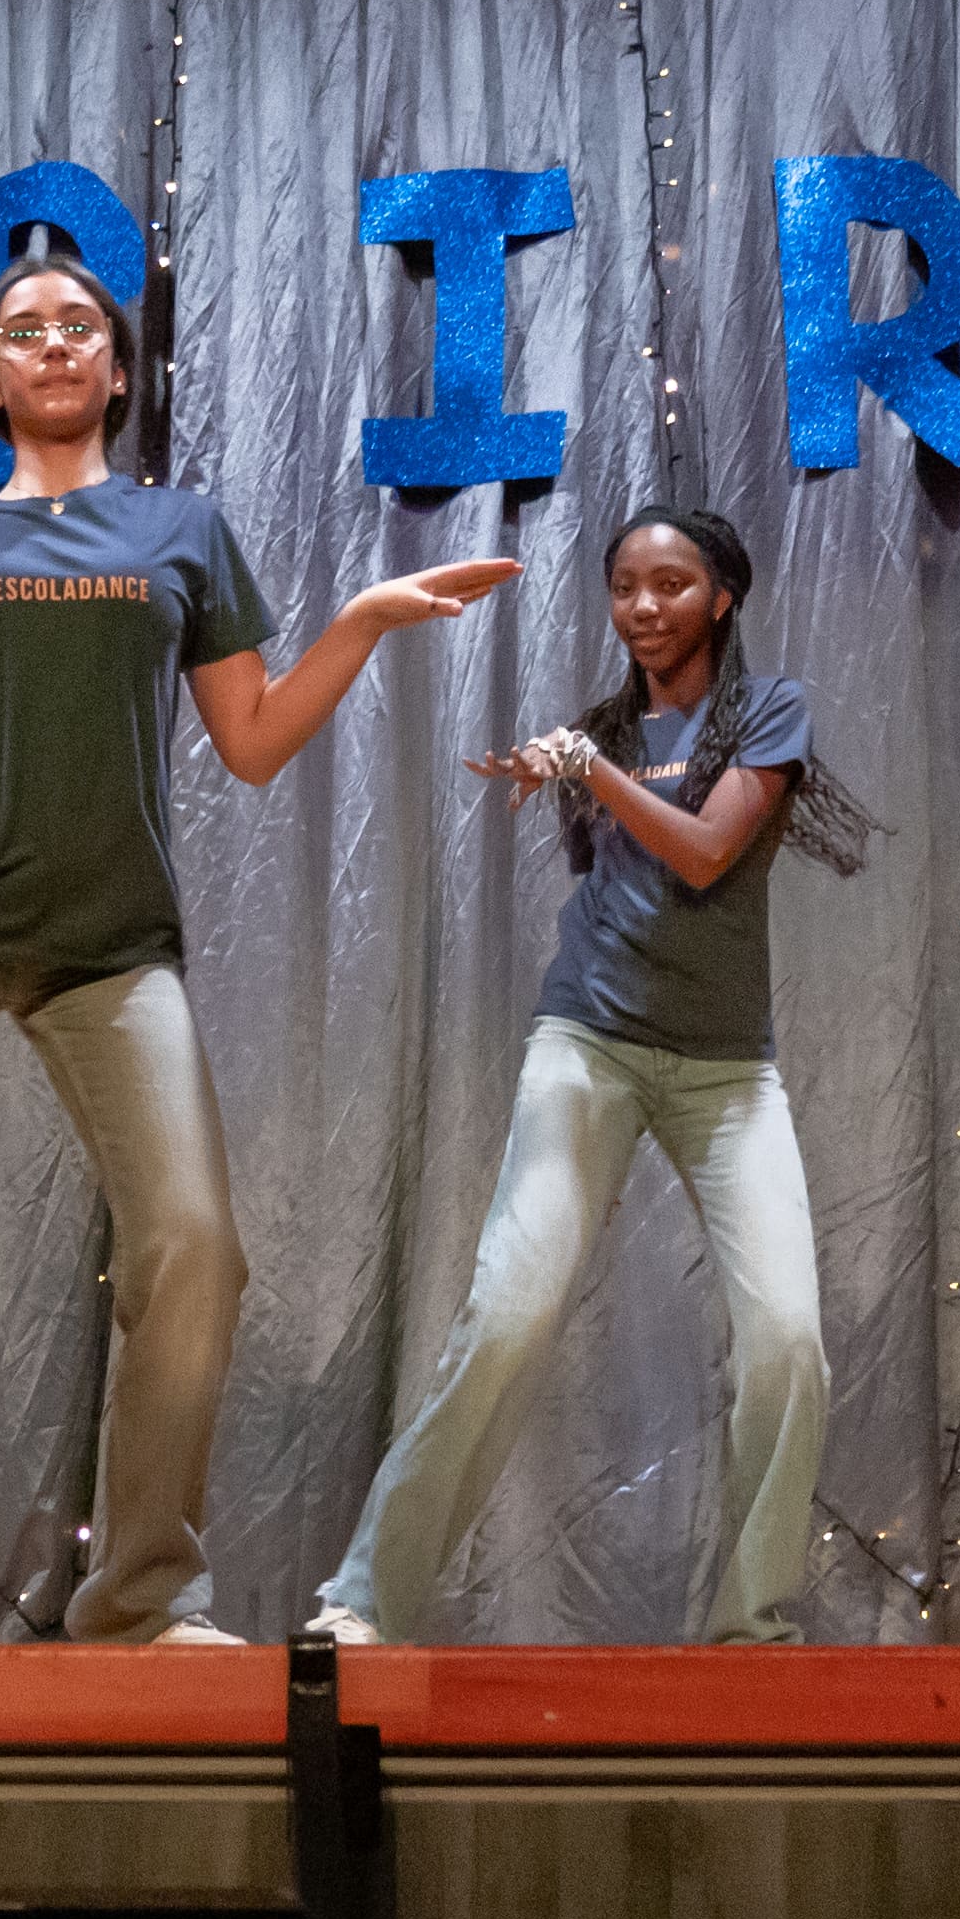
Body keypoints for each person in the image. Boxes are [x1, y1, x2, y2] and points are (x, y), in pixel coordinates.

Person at [0, 235, 512, 1645]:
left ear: (120, 369)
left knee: (194, 1244)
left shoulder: (180, 531)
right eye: (24, 330)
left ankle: (138, 1596)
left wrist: (360, 624)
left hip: (109, 946)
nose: (55, 344)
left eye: (80, 325)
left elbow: (252, 740)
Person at [309, 506, 867, 1646]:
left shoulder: (767, 711)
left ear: (721, 597)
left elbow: (704, 853)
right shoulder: (601, 732)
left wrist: (588, 766)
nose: (644, 607)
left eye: (671, 584)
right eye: (624, 587)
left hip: (726, 1074)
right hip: (590, 1043)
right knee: (507, 1315)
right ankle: (362, 1602)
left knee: (787, 1343)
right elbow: (618, 865)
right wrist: (579, 761)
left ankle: (752, 1628)